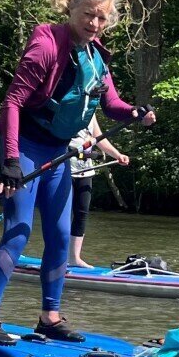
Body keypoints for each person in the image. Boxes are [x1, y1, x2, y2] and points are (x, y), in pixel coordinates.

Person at [0, 0, 155, 345]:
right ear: (71, 8)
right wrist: (9, 160)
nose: (94, 23)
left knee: (59, 237)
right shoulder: (45, 46)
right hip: (25, 147)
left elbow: (112, 105)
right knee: (19, 231)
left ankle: (49, 318)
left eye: (102, 18)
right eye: (88, 14)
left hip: (57, 153)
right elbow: (12, 102)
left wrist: (135, 113)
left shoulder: (95, 56)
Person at [69, 112, 130, 268]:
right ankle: (56, 255)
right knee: (60, 215)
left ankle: (74, 258)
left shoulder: (91, 111)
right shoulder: (67, 105)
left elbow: (99, 138)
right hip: (65, 169)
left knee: (81, 214)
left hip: (85, 170)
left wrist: (117, 155)